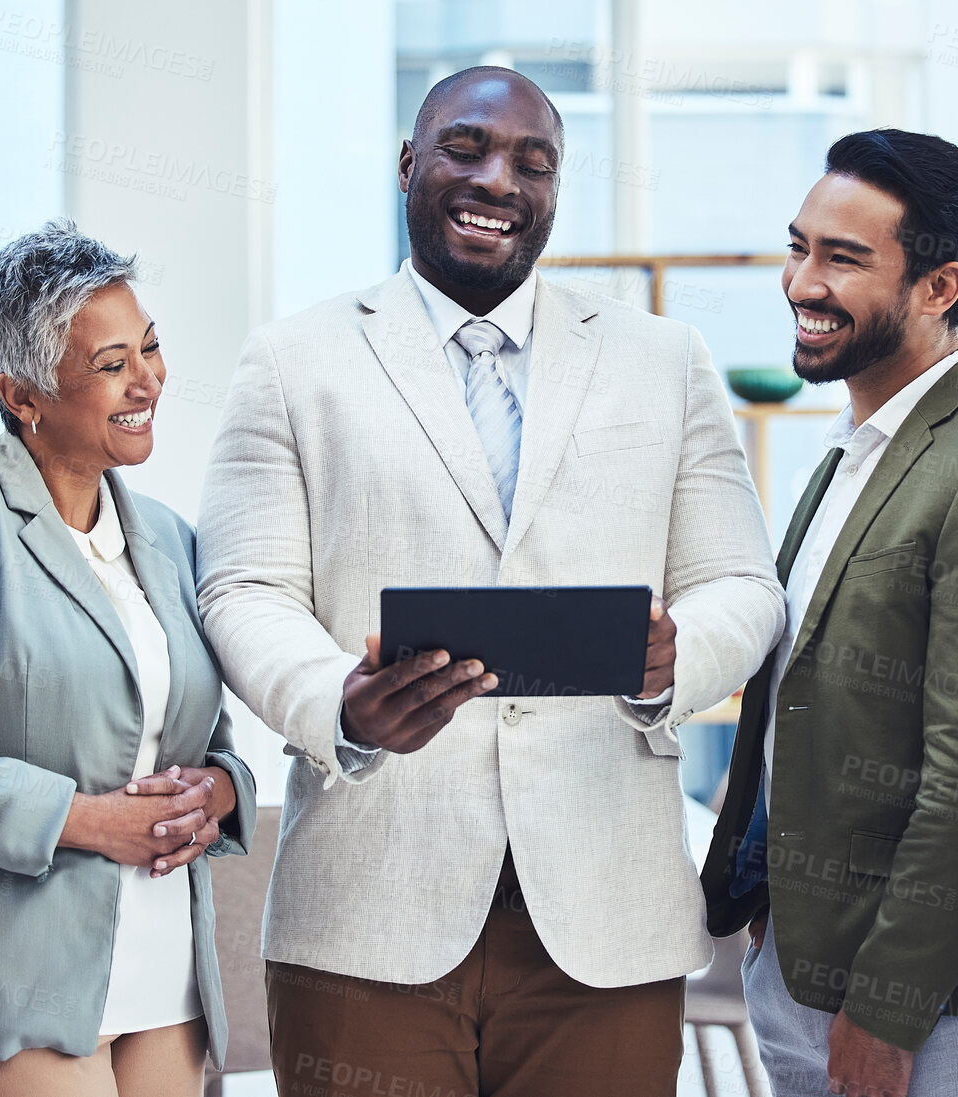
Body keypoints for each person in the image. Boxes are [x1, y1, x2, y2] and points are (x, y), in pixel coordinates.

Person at [196, 66, 783, 1097]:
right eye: (466, 148)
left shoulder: (663, 359)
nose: (498, 179)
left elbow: (741, 579)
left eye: (533, 161)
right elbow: (243, 587)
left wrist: (676, 656)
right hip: (370, 911)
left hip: (605, 917)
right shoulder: (293, 361)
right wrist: (342, 702)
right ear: (408, 163)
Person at [701, 129, 958, 1097]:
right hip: (800, 960)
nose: (801, 283)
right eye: (799, 247)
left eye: (842, 259)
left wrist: (887, 1003)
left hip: (930, 1004)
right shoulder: (845, 452)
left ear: (939, 286)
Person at [0, 221, 256, 1097]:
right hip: (6, 988)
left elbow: (209, 737)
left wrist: (222, 790)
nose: (147, 381)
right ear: (24, 395)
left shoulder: (168, 536)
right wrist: (86, 820)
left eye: (152, 349)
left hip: (167, 981)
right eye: (111, 363)